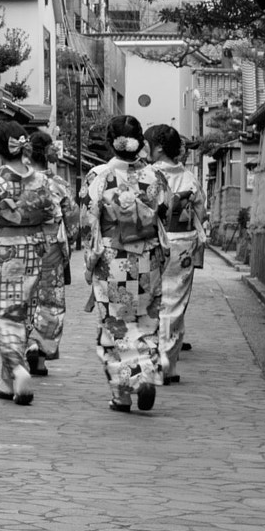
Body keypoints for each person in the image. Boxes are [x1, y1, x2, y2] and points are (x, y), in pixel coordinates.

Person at [0, 121, 64, 406]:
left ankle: (17, 368)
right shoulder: (43, 181)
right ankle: (7, 383)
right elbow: (54, 218)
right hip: (34, 253)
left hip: (3, 254)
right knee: (22, 314)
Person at [82, 114, 171, 413]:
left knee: (116, 326)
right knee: (145, 321)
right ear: (141, 144)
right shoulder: (156, 177)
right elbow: (165, 216)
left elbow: (88, 224)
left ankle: (122, 392)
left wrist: (90, 262)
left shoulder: (98, 176)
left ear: (110, 142)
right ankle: (145, 372)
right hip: (147, 258)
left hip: (112, 259)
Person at [143, 122, 207, 383]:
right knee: (175, 302)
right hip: (183, 242)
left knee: (150, 300)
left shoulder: (146, 176)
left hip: (153, 239)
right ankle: (167, 364)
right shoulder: (190, 177)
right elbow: (201, 211)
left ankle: (150, 356)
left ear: (157, 149)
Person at [25, 130, 78, 374]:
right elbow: (74, 222)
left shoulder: (17, 181)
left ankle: (24, 347)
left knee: (22, 299)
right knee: (50, 300)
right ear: (50, 153)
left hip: (19, 247)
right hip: (51, 250)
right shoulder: (59, 185)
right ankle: (41, 353)